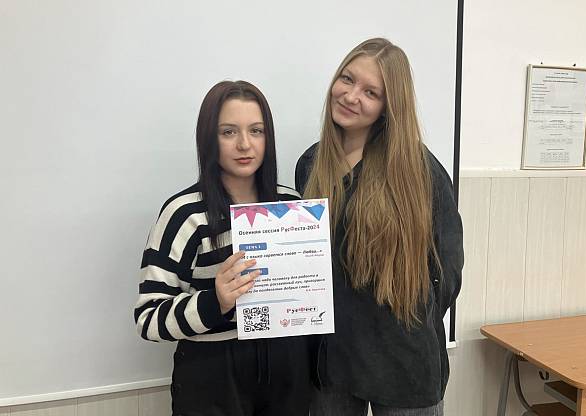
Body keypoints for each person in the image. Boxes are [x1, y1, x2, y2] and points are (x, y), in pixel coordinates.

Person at [295, 38, 463, 415]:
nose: (351, 96)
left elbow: (448, 269)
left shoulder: (420, 172)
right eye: (347, 79)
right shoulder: (311, 164)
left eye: (370, 92)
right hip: (333, 362)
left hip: (405, 360)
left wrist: (407, 320)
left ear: (389, 106)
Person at [135, 80, 311, 416]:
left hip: (286, 365)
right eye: (229, 132)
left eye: (256, 131)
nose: (245, 144)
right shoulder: (184, 214)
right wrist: (215, 301)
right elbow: (148, 319)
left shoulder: (290, 205)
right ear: (209, 139)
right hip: (212, 372)